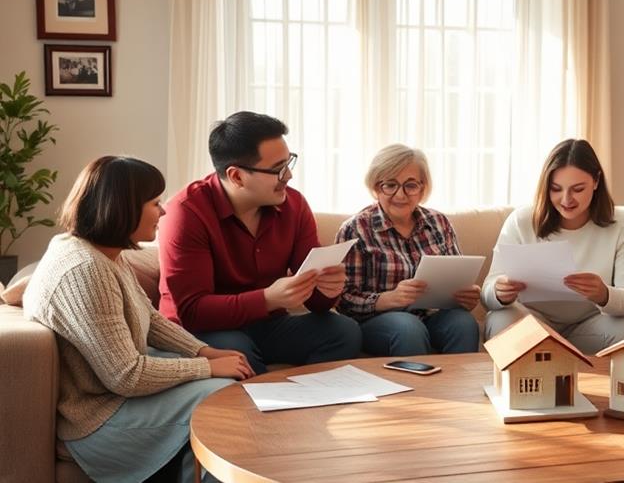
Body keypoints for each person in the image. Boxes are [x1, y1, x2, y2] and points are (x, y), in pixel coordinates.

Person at [22, 156, 254, 483]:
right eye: (156, 202)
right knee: (221, 400)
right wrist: (207, 367)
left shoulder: (100, 253)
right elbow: (125, 375)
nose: (164, 211)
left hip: (114, 398)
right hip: (97, 419)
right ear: (123, 206)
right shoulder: (87, 269)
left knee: (225, 390)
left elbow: (150, 317)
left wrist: (204, 351)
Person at [159, 111, 361, 374]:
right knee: (236, 348)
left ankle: (309, 400)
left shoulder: (294, 205)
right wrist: (267, 299)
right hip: (202, 332)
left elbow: (317, 303)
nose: (288, 176)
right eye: (278, 169)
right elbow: (193, 311)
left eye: (289, 163)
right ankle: (270, 410)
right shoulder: (186, 213)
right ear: (237, 176)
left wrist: (328, 289)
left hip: (267, 325)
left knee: (344, 331)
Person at [481, 139, 624, 354]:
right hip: (533, 326)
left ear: (596, 181)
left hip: (591, 327)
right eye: (556, 189)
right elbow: (487, 293)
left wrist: (604, 295)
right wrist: (499, 291)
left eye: (578, 189)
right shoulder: (521, 221)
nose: (566, 199)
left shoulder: (622, 225)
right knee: (500, 319)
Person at [336, 144, 480, 356]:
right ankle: (419, 390)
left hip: (433, 316)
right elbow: (343, 299)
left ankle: (456, 389)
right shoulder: (355, 229)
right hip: (377, 322)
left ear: (423, 189)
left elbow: (457, 277)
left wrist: (466, 295)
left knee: (464, 323)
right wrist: (388, 299)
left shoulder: (439, 223)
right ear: (376, 187)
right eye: (390, 185)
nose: (400, 195)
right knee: (408, 327)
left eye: (410, 185)